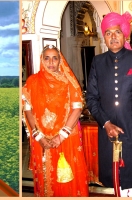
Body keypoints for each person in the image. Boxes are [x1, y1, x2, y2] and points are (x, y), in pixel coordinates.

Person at [86, 11, 132, 197]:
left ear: (124, 34)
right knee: (115, 179)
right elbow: (91, 98)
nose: (113, 36)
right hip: (108, 130)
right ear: (104, 38)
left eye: (116, 32)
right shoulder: (97, 62)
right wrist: (105, 123)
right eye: (108, 33)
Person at [22, 45, 89, 197]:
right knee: (45, 175)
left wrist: (61, 136)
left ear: (60, 61)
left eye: (55, 58)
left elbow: (77, 109)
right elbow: (27, 110)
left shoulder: (69, 82)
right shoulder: (32, 82)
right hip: (41, 139)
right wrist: (38, 136)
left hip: (66, 138)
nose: (51, 62)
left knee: (66, 177)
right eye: (47, 58)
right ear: (41, 60)